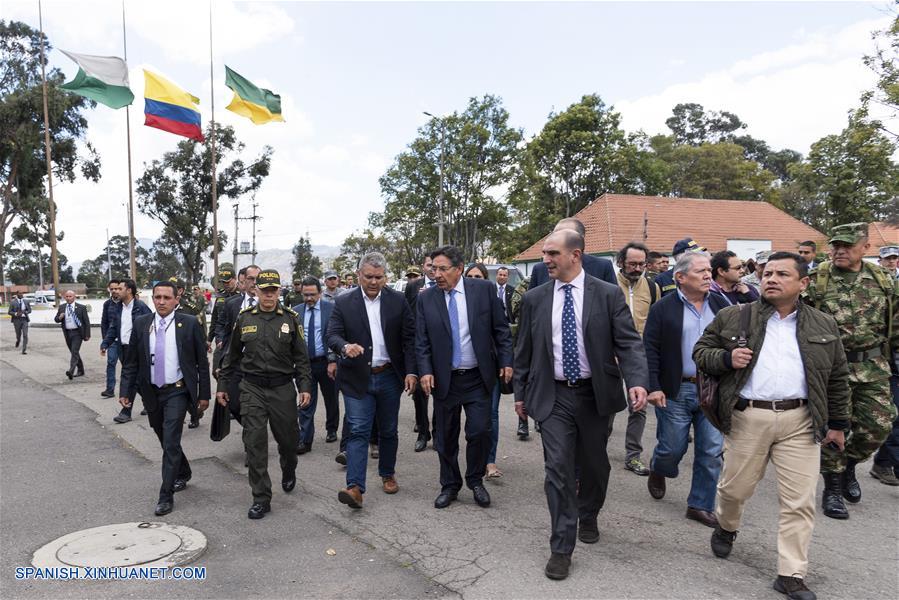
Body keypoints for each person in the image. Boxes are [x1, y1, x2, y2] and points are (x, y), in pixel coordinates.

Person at [694, 252, 850, 600]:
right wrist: (725, 358)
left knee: (799, 501)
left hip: (801, 421)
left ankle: (791, 573)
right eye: (767, 273)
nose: (771, 279)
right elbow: (701, 351)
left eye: (782, 274)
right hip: (749, 417)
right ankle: (727, 525)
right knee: (735, 491)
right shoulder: (734, 316)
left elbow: (838, 377)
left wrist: (838, 424)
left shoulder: (824, 325)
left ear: (803, 283)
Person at [514, 229, 648, 581]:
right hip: (552, 395)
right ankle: (561, 546)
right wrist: (520, 394)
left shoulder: (606, 295)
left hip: (594, 395)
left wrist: (637, 381)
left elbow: (629, 343)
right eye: (544, 253)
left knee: (595, 465)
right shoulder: (536, 298)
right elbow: (524, 351)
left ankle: (589, 512)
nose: (545, 260)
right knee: (557, 467)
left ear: (576, 255)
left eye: (552, 253)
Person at [803, 223, 899, 519]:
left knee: (879, 426)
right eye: (835, 246)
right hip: (832, 367)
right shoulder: (818, 279)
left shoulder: (882, 279)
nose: (839, 251)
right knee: (835, 427)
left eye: (847, 246)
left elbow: (894, 320)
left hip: (872, 365)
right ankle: (832, 487)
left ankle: (850, 466)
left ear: (865, 248)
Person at [416, 245, 513, 510]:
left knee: (480, 431)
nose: (437, 274)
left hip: (477, 378)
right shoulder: (426, 299)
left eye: (443, 269)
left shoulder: (483, 291)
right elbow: (421, 341)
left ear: (459, 269)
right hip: (446, 380)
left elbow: (501, 329)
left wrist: (506, 360)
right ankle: (450, 484)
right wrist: (425, 370)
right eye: (434, 268)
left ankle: (475, 480)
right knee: (445, 437)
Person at [217, 269, 312, 520]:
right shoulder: (245, 319)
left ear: (279, 291)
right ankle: (261, 497)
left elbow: (302, 358)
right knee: (255, 443)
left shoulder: (291, 319)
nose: (269, 295)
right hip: (252, 388)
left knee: (289, 442)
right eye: (264, 290)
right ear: (255, 291)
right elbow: (232, 356)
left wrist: (305, 387)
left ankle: (289, 469)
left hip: (282, 388)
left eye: (273, 290)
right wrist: (223, 386)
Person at [643, 252, 727, 528]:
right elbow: (650, 350)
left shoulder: (720, 303)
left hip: (712, 390)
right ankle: (659, 467)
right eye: (700, 271)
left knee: (711, 450)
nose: (707, 275)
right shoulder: (663, 308)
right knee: (672, 447)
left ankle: (699, 504)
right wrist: (653, 387)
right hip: (676, 389)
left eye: (709, 271)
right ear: (680, 277)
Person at [328, 253, 417, 509]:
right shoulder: (344, 303)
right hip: (357, 378)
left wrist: (411, 371)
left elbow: (409, 339)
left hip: (389, 376)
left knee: (388, 429)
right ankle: (355, 487)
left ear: (386, 277)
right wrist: (345, 347)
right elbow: (332, 335)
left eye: (379, 277)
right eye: (369, 277)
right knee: (358, 430)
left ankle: (387, 473)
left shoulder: (398, 301)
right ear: (359, 275)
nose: (374, 282)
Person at [118, 281, 211, 516]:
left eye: (166, 298)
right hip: (151, 392)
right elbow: (131, 363)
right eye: (157, 297)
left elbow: (201, 363)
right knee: (165, 439)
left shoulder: (189, 324)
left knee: (170, 441)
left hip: (177, 391)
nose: (161, 302)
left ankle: (165, 495)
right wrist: (125, 392)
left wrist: (204, 395)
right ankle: (184, 471)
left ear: (176, 300)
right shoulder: (141, 324)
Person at [611, 241, 659, 476]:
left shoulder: (652, 288)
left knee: (638, 406)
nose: (638, 268)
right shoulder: (607, 285)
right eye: (633, 263)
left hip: (638, 356)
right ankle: (597, 450)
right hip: (610, 355)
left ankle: (633, 456)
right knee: (607, 405)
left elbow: (655, 324)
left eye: (642, 264)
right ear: (621, 262)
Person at [464, 264, 504, 480]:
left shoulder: (493, 301)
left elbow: (502, 334)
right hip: (463, 373)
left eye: (478, 277)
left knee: (492, 415)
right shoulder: (457, 301)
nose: (473, 280)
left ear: (486, 279)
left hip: (489, 370)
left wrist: (504, 362)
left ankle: (489, 461)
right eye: (469, 276)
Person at [293, 276, 339, 453]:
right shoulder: (296, 312)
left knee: (331, 398)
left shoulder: (331, 309)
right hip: (305, 365)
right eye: (305, 295)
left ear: (320, 293)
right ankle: (305, 439)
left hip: (327, 363)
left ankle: (332, 429)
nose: (309, 298)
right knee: (305, 401)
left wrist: (333, 360)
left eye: (312, 294)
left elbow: (335, 335)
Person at [214, 265, 261, 422]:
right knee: (233, 404)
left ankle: (253, 431)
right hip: (236, 361)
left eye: (257, 279)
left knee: (259, 404)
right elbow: (222, 325)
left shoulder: (269, 303)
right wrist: (220, 340)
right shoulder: (232, 304)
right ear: (243, 281)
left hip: (261, 361)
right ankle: (250, 426)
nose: (254, 282)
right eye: (250, 279)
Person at [104, 279, 153, 423]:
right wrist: (105, 343)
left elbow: (151, 326)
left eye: (120, 289)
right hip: (123, 348)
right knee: (136, 379)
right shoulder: (117, 308)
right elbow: (113, 327)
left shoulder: (141, 307)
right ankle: (148, 404)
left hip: (138, 349)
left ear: (129, 290)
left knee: (132, 379)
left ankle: (126, 411)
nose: (116, 291)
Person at [405, 256, 438, 451]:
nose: (433, 269)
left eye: (436, 266)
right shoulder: (413, 286)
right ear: (424, 268)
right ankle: (423, 432)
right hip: (419, 346)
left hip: (440, 349)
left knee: (440, 393)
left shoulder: (444, 285)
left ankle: (438, 433)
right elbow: (408, 315)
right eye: (429, 266)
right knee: (419, 394)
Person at [528, 218, 616, 288]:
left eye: (566, 235)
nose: (546, 260)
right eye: (555, 235)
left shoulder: (602, 267)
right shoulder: (540, 270)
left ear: (581, 239)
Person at [208, 263, 239, 376]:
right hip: (221, 341)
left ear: (235, 279)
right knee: (216, 371)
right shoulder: (220, 297)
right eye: (223, 282)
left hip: (236, 341)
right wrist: (209, 339)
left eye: (228, 281)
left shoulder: (242, 296)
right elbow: (215, 320)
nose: (225, 284)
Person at [54, 290, 91, 380]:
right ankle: (81, 370)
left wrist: (87, 334)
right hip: (67, 333)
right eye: (67, 296)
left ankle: (71, 371)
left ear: (74, 297)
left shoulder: (81, 307)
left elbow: (86, 322)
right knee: (74, 352)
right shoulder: (62, 307)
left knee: (74, 351)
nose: (68, 298)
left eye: (70, 296)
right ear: (64, 297)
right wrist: (60, 317)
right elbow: (56, 319)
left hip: (78, 333)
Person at [99, 280, 122, 397]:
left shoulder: (126, 303)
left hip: (125, 341)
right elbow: (104, 323)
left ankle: (130, 391)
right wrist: (105, 342)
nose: (114, 291)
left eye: (117, 288)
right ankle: (110, 389)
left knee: (129, 368)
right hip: (112, 340)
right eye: (112, 289)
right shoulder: (107, 304)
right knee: (111, 363)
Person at [9, 290, 31, 355]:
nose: (21, 294)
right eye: (20, 293)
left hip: (24, 320)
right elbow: (9, 312)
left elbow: (29, 310)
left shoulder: (26, 301)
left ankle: (24, 350)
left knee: (25, 334)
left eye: (22, 293)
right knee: (18, 335)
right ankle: (18, 341)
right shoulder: (13, 302)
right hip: (16, 320)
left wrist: (25, 312)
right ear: (17, 294)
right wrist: (16, 313)